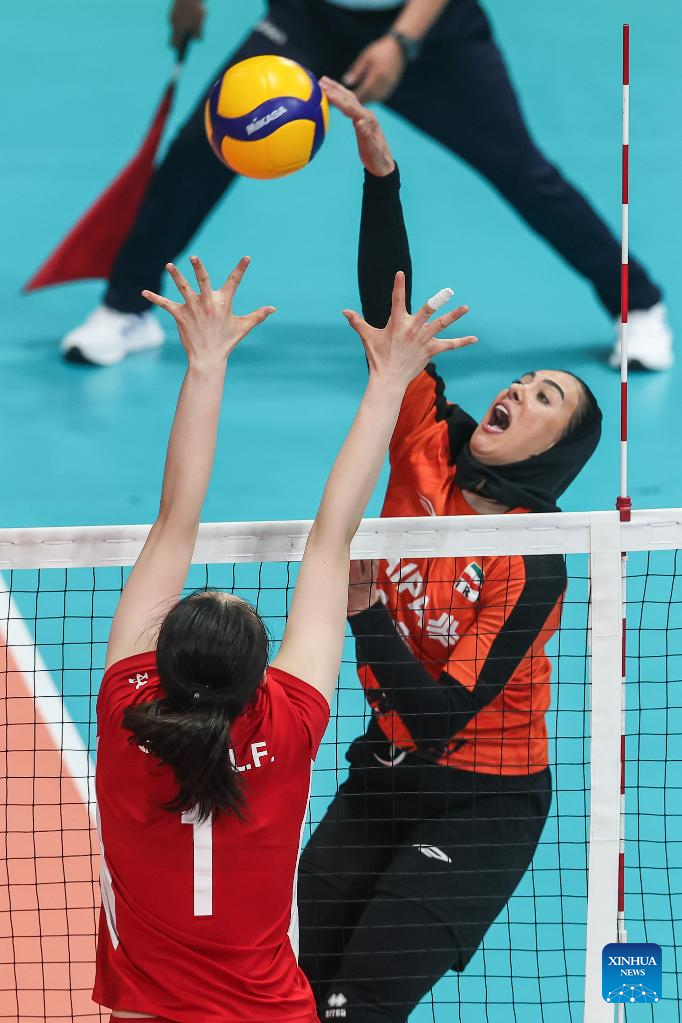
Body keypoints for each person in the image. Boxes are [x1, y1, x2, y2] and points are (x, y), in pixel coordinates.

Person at [93, 247, 475, 1023]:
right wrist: (390, 382)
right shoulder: (290, 719)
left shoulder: (125, 705)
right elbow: (332, 539)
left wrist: (205, 363)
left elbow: (173, 521)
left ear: (159, 658)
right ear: (257, 675)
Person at [295, 79, 602, 1023]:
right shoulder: (426, 437)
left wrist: (363, 612)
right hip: (383, 771)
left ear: (554, 453)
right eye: (527, 378)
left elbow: (439, 718)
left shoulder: (534, 562)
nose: (520, 390)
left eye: (546, 399)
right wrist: (380, 174)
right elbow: (389, 319)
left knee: (357, 1002)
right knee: (298, 982)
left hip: (483, 803)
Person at [61, 0, 671, 370]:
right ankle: (126, 307)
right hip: (309, 19)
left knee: (519, 169)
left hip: (431, 29)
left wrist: (402, 41)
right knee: (201, 148)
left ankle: (636, 303)